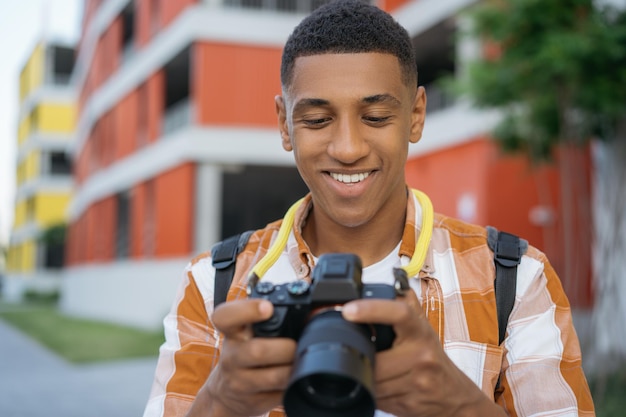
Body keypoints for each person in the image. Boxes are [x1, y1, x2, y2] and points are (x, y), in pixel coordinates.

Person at [144, 1, 595, 416]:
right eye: (317, 120)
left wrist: (458, 404)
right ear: (284, 125)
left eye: (376, 117)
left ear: (416, 115)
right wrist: (220, 401)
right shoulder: (215, 284)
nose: (347, 148)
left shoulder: (513, 279)